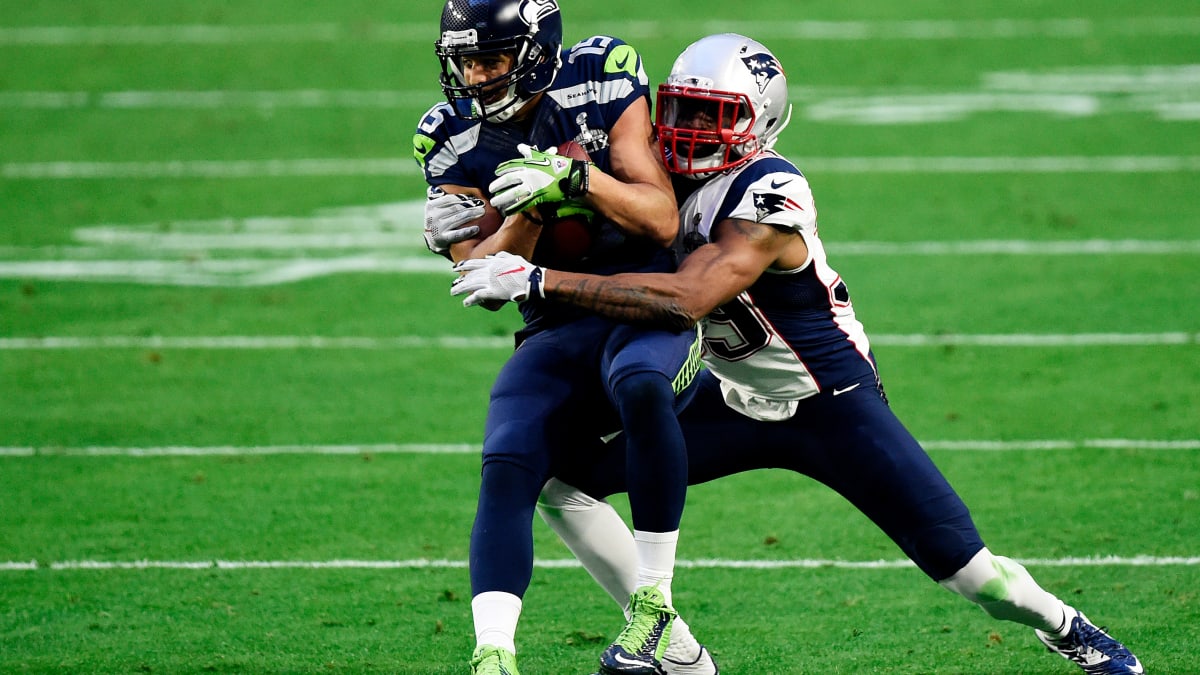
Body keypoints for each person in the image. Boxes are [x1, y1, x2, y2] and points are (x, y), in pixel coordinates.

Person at [452, 33, 1144, 675]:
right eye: (681, 112)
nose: (689, 133)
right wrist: (465, 218)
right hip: (730, 398)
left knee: (974, 575)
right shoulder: (656, 175)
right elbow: (574, 203)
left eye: (711, 116)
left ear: (759, 125)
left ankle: (1067, 625)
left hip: (829, 403)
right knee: (560, 479)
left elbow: (687, 299)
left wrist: (543, 279)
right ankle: (668, 636)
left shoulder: (769, 191)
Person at [413, 2, 711, 673]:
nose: (475, 74)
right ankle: (493, 652)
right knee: (510, 448)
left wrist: (578, 177)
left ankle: (654, 603)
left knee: (638, 384)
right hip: (555, 319)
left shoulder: (599, 74)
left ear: (537, 51)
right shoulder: (447, 134)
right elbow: (485, 281)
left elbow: (661, 220)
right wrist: (531, 207)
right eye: (464, 59)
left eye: (491, 56)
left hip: (646, 303)